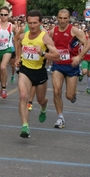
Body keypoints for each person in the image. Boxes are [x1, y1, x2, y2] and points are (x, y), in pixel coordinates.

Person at [14, 10, 59, 138]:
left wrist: (43, 53)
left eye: (35, 23)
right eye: (30, 23)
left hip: (39, 72)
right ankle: (25, 126)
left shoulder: (45, 37)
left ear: (40, 23)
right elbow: (18, 43)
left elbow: (57, 56)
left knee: (40, 100)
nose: (32, 26)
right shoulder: (24, 36)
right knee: (23, 96)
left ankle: (44, 107)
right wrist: (18, 58)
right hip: (25, 70)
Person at [48, 9, 90, 129]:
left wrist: (79, 57)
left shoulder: (74, 30)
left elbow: (86, 45)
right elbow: (46, 43)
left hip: (71, 66)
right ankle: (60, 117)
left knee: (69, 96)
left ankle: (73, 96)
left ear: (69, 18)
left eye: (65, 18)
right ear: (57, 18)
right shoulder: (53, 31)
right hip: (58, 65)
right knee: (56, 90)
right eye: (60, 18)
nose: (62, 20)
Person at [0, 6, 18, 99]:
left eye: (5, 15)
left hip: (7, 49)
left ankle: (3, 88)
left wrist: (17, 53)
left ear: (8, 15)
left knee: (3, 67)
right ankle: (3, 83)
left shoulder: (13, 26)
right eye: (1, 14)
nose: (3, 16)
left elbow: (17, 39)